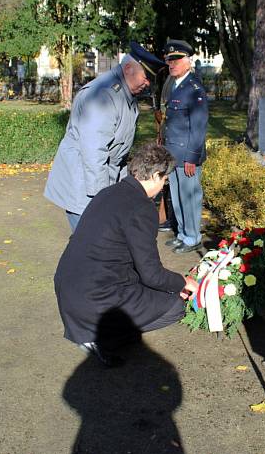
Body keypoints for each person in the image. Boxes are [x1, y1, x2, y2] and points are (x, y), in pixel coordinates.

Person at [53, 142, 200, 367]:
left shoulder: (108, 192)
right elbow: (151, 274)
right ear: (156, 176)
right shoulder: (142, 208)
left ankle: (102, 333)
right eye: (164, 179)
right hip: (95, 301)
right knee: (175, 306)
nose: (164, 185)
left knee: (148, 293)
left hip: (69, 289)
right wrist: (183, 282)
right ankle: (99, 338)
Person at [44, 42, 165, 231]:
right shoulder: (103, 96)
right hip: (86, 189)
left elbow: (119, 154)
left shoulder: (124, 94)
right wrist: (103, 200)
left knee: (101, 248)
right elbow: (94, 154)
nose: (148, 83)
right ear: (128, 69)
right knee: (92, 249)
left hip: (101, 184)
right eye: (146, 76)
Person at [162, 39, 209, 254]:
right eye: (169, 61)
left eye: (176, 60)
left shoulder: (194, 88)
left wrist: (192, 157)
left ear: (188, 62)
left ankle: (193, 237)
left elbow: (198, 126)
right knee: (177, 196)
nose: (172, 64)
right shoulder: (175, 85)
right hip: (173, 153)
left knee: (190, 196)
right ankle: (182, 233)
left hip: (187, 154)